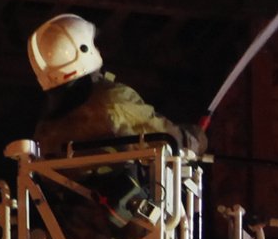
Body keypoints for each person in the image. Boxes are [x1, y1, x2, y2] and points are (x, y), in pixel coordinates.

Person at [25, 13, 180, 158]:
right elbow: (167, 137)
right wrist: (196, 138)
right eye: (94, 43)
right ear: (84, 50)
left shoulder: (45, 125)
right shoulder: (113, 98)